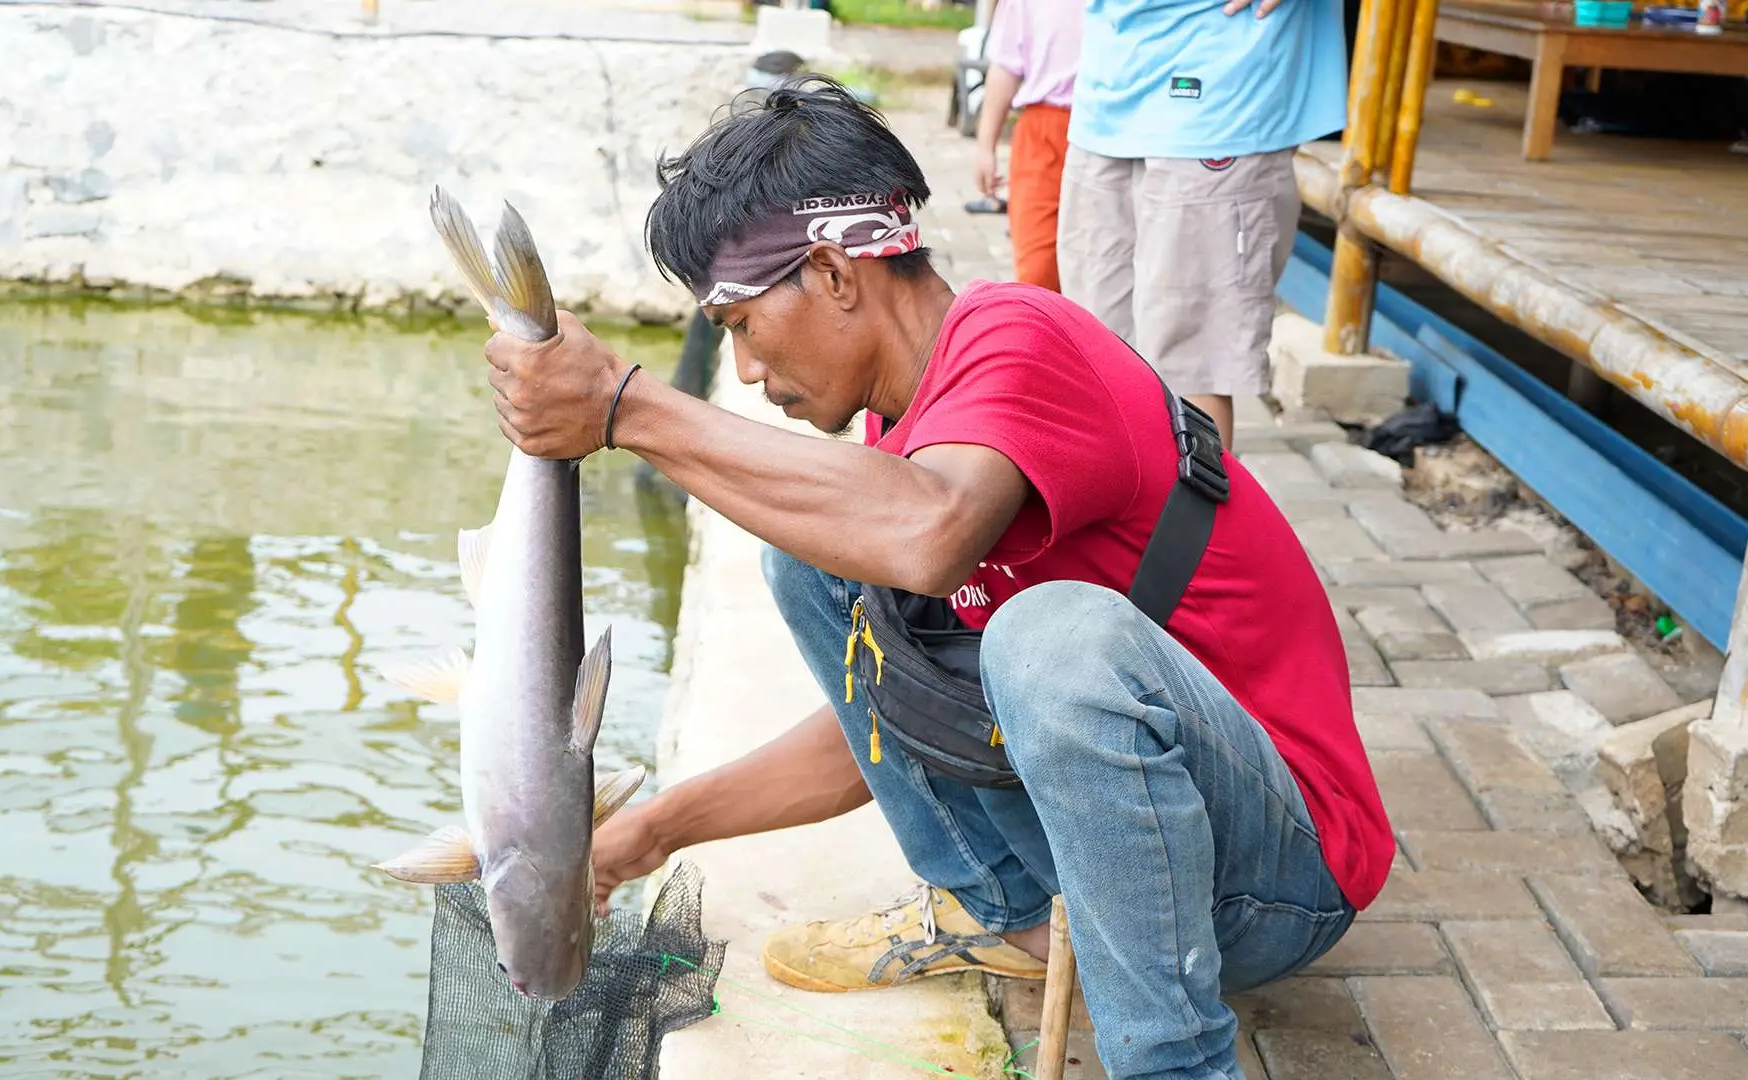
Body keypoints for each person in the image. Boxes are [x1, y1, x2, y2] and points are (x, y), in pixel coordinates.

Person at [481, 76, 1393, 1080]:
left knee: (1047, 637)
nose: (742, 369)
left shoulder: (1021, 343)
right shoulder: (900, 433)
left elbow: (931, 535)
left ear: (831, 273)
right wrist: (651, 831)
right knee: (813, 551)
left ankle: (1174, 1065)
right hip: (1115, 862)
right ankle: (1006, 912)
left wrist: (630, 411)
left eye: (738, 324)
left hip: (1278, 878)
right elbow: (882, 730)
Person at [1056, 0, 1349, 448]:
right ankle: (1121, 517)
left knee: (1190, 367)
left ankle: (1195, 521)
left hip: (1219, 96)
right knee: (1096, 355)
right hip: (1107, 92)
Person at [971, 0, 1083, 292]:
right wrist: (986, 146)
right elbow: (1005, 66)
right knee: (1038, 266)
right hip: (1044, 127)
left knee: (1100, 267)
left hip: (1112, 127)